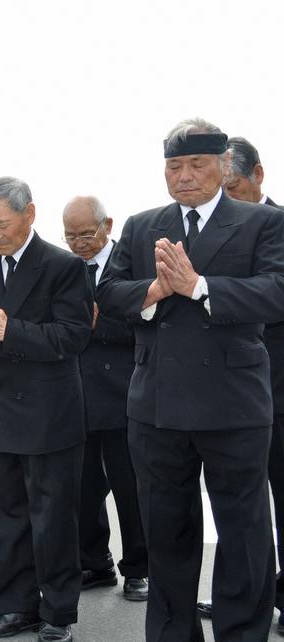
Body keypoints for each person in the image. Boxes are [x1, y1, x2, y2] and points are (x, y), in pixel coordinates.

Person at [97, 118, 284, 641]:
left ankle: (241, 632)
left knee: (244, 532)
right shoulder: (142, 225)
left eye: (197, 165)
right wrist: (153, 292)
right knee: (167, 532)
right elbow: (107, 293)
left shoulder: (263, 222)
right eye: (174, 166)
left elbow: (277, 289)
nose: (183, 176)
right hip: (156, 407)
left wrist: (200, 286)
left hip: (234, 405)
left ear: (223, 165)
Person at [0, 177, 93, 642]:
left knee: (52, 521)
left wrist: (8, 331)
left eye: (2, 224)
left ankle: (57, 613)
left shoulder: (62, 265)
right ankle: (16, 608)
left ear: (30, 214)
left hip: (49, 417)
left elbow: (74, 335)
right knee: (7, 518)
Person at [196, 135, 284, 633]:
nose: (225, 200)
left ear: (258, 176)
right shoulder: (205, 229)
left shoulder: (277, 226)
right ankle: (241, 597)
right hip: (228, 398)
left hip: (279, 389)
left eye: (232, 188)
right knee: (238, 510)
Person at [62, 196, 149, 602]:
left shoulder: (131, 264)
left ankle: (138, 569)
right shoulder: (65, 269)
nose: (79, 244)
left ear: (108, 225)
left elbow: (150, 325)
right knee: (82, 489)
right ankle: (95, 562)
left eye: (86, 234)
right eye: (70, 236)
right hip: (76, 395)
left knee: (130, 489)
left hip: (124, 394)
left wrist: (99, 324)